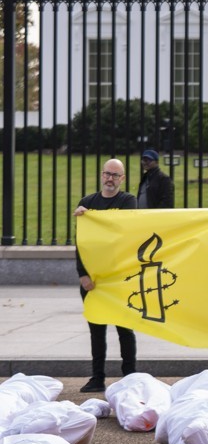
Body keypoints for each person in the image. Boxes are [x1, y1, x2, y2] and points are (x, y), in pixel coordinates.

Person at [74, 159, 138, 393]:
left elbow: (123, 230)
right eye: (107, 174)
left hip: (118, 278)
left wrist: (91, 217)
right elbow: (80, 243)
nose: (110, 178)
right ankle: (97, 377)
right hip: (93, 280)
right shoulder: (87, 203)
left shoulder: (128, 201)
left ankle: (130, 376)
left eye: (115, 175)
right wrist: (83, 274)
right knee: (96, 330)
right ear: (102, 176)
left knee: (125, 328)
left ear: (122, 179)